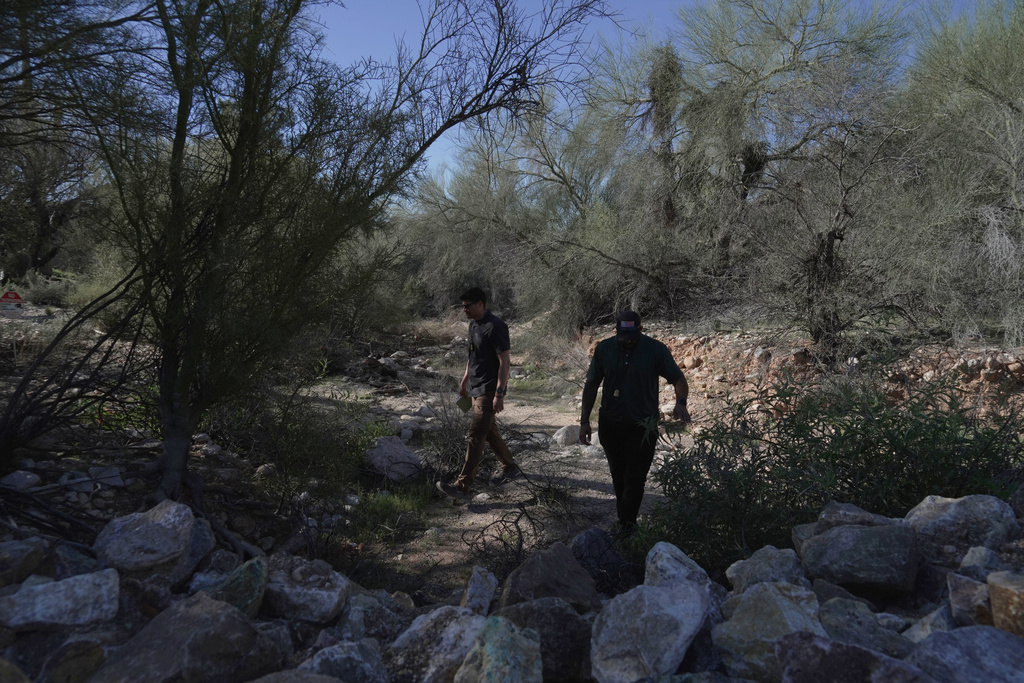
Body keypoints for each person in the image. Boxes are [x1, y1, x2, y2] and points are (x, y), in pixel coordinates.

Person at [579, 311, 690, 534]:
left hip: (643, 426)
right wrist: (584, 421)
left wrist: (681, 403)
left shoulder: (655, 349)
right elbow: (591, 385)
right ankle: (626, 521)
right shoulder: (605, 349)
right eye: (622, 334)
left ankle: (627, 526)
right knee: (618, 476)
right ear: (616, 331)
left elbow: (678, 378)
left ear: (640, 330)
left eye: (631, 334)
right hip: (611, 424)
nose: (627, 339)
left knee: (636, 478)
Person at [437, 287, 521, 501]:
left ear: (480, 304)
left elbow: (504, 362)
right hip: (475, 387)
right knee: (489, 430)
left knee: (476, 435)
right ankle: (510, 467)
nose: (464, 310)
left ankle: (462, 485)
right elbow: (472, 356)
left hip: (489, 389)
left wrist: (499, 393)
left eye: (467, 306)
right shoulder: (473, 325)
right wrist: (465, 380)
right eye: (462, 306)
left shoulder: (496, 326)